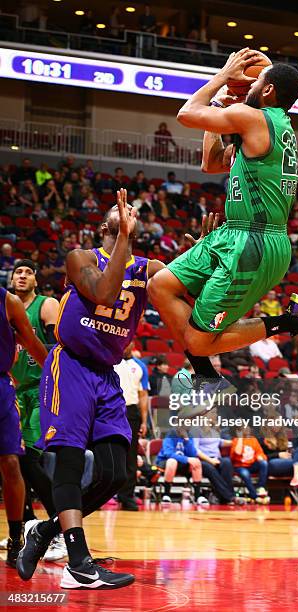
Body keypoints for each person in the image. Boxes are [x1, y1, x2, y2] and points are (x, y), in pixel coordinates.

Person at [148, 50, 298, 400]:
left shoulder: (258, 120)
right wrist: (222, 104)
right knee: (159, 285)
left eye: (256, 81)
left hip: (255, 243)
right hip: (233, 233)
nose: (249, 84)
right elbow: (211, 163)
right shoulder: (265, 124)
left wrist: (221, 77)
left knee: (198, 342)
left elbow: (187, 114)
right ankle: (205, 373)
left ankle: (290, 322)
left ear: (267, 90)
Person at [16, 190, 164, 589]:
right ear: (105, 226)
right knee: (68, 461)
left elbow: (186, 282)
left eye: (131, 209)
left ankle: (46, 531)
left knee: (116, 473)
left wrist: (205, 246)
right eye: (120, 210)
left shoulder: (149, 268)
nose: (128, 210)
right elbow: (104, 292)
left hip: (107, 373)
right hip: (73, 366)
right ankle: (79, 564)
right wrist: (126, 242)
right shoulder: (81, 258)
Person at [9, 260, 65, 561]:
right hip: (12, 392)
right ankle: (29, 527)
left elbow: (60, 345)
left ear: (35, 280)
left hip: (39, 390)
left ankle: (59, 530)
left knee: (29, 459)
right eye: (18, 271)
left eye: (28, 272)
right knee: (12, 463)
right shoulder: (6, 308)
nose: (22, 275)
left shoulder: (46, 305)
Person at [0, 286, 47, 567]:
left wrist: (56, 375)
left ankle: (16, 536)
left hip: (2, 387)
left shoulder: (9, 301)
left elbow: (31, 341)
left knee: (10, 463)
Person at [114, 341, 148, 510]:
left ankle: (127, 496)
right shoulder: (110, 361)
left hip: (131, 411)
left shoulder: (140, 366)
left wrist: (144, 420)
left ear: (133, 345)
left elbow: (143, 395)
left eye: (128, 344)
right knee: (108, 450)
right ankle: (100, 493)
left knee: (131, 456)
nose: (125, 346)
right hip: (111, 409)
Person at [155, 430, 208, 505]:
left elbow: (193, 454)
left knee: (196, 462)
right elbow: (168, 454)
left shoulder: (189, 436)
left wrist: (187, 440)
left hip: (182, 463)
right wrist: (186, 459)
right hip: (165, 462)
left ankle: (197, 496)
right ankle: (166, 495)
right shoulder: (170, 435)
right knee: (172, 461)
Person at [230, 427, 269, 504]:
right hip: (240, 466)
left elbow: (260, 453)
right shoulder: (236, 440)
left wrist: (260, 457)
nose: (247, 430)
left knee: (264, 463)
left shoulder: (253, 440)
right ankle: (254, 496)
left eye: (248, 428)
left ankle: (260, 487)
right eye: (244, 428)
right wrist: (240, 438)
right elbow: (237, 453)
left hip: (252, 465)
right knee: (245, 474)